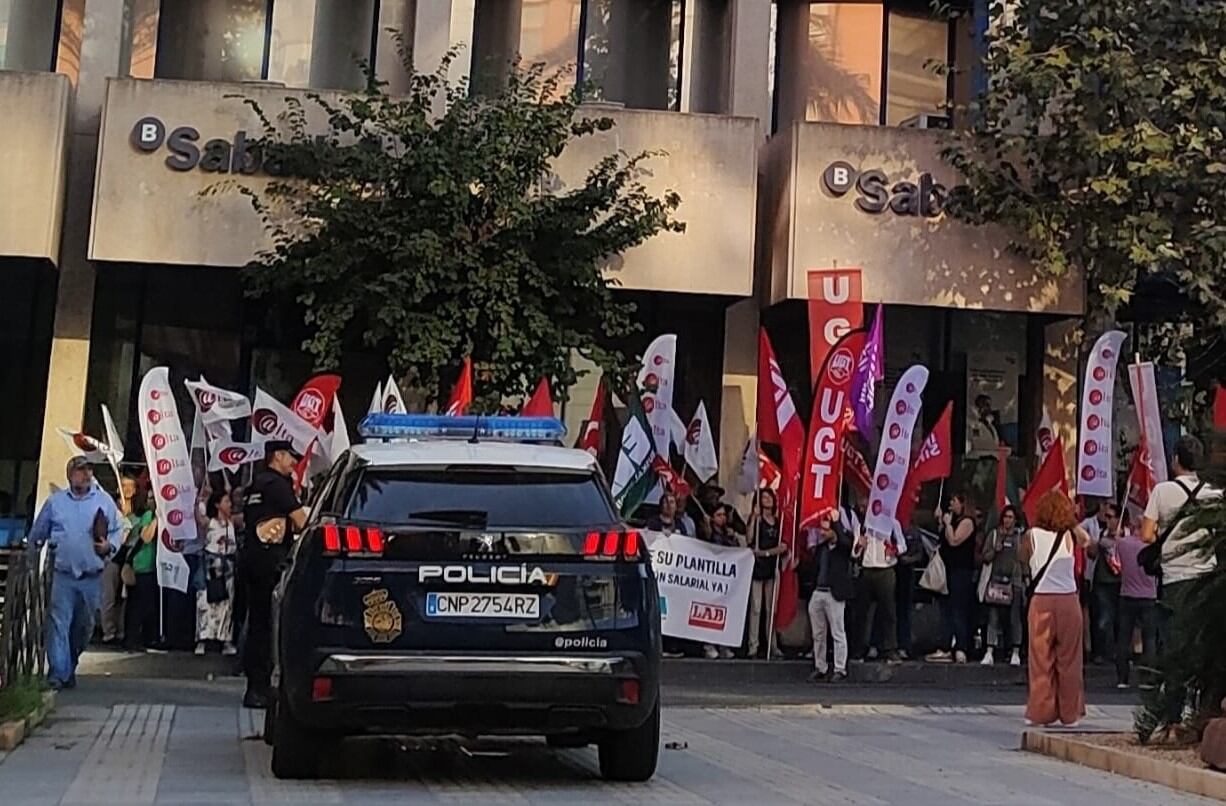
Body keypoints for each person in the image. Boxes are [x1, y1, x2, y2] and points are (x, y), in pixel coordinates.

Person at [1139, 434, 1221, 732]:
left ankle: (1172, 717)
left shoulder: (1162, 492)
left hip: (1174, 581)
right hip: (1206, 582)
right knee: (1203, 650)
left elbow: (1147, 536)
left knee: (1174, 651)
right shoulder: (1213, 493)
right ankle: (1203, 714)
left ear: (1175, 461)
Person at [28, 457, 125, 690]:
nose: (85, 474)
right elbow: (37, 534)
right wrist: (32, 561)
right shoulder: (56, 503)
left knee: (84, 628)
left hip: (91, 577)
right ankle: (58, 674)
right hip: (62, 575)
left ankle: (69, 665)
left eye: (88, 470)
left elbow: (118, 530)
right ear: (70, 474)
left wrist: (109, 547)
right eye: (81, 471)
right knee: (58, 624)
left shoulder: (103, 502)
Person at [240, 440, 308, 708]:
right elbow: (302, 522)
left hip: (252, 558)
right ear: (277, 456)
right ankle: (261, 687)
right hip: (270, 561)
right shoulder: (278, 485)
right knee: (269, 625)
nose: (293, 463)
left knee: (256, 623)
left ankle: (254, 686)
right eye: (291, 457)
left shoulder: (256, 485)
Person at [1020, 490, 1090, 727]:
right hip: (1069, 600)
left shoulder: (1031, 536)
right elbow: (1087, 541)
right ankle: (1070, 714)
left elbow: (1022, 558)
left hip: (1041, 600)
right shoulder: (1070, 536)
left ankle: (1041, 711)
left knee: (1041, 659)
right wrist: (1070, 520)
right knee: (1070, 660)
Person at [804, 510, 855, 682]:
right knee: (818, 633)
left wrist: (837, 523)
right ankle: (821, 666)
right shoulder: (821, 549)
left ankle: (840, 668)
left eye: (826, 530)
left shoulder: (842, 548)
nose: (822, 533)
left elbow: (847, 544)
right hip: (819, 591)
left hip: (834, 594)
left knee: (837, 632)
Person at [850, 506, 904, 664]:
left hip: (885, 570)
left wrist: (893, 549)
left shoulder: (892, 523)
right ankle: (859, 649)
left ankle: (889, 649)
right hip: (867, 570)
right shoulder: (863, 526)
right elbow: (854, 553)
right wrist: (859, 545)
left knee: (888, 611)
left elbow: (902, 545)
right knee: (861, 612)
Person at [927, 493, 978, 663]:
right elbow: (944, 540)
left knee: (958, 609)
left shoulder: (967, 522)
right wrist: (941, 522)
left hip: (961, 571)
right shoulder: (952, 520)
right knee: (947, 609)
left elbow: (955, 540)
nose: (951, 504)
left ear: (963, 504)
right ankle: (946, 645)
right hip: (948, 570)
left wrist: (948, 525)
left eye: (954, 501)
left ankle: (961, 647)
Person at [1114, 511, 1158, 688]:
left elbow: (1115, 561)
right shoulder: (1153, 546)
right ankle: (1148, 678)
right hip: (1149, 596)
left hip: (1127, 595)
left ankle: (1122, 678)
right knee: (1149, 639)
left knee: (1124, 637)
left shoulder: (1123, 544)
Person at [980, 505, 1025, 667]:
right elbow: (984, 557)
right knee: (993, 617)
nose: (1007, 520)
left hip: (1014, 583)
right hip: (995, 581)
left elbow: (1025, 559)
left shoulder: (1020, 537)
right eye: (1005, 517)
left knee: (1014, 618)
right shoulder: (993, 535)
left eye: (1011, 517)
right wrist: (995, 549)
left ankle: (1015, 651)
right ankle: (989, 650)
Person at [196, 491, 239, 656]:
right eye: (226, 501)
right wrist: (199, 500)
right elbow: (199, 518)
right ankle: (203, 639)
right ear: (217, 505)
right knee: (206, 605)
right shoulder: (210, 522)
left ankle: (226, 640)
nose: (229, 504)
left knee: (227, 606)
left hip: (228, 569)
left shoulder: (232, 522)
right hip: (211, 568)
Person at [699, 505, 744, 659]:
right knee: (710, 612)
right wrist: (707, 527)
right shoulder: (708, 533)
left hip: (726, 580)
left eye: (724, 515)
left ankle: (724, 644)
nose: (722, 518)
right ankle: (709, 644)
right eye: (718, 515)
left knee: (725, 612)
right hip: (711, 578)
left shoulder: (728, 534)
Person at [746, 489, 786, 659]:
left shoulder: (778, 522)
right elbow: (749, 539)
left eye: (769, 497)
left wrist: (766, 553)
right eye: (764, 497)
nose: (767, 500)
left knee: (771, 609)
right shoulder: (757, 520)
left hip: (772, 567)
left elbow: (783, 546)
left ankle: (772, 644)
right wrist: (754, 518)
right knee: (756, 608)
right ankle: (753, 646)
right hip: (757, 568)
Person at [100, 473, 138, 646]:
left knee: (125, 598)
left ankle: (121, 630)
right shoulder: (110, 510)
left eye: (130, 486)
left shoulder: (138, 512)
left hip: (129, 559)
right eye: (124, 486)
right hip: (112, 557)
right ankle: (109, 631)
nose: (127, 489)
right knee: (109, 595)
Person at [122, 490, 160, 652]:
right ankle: (132, 639)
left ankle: (145, 638)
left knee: (147, 605)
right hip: (141, 565)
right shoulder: (148, 516)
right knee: (137, 605)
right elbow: (146, 537)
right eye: (150, 498)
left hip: (152, 566)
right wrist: (156, 519)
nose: (151, 501)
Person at [1085, 502, 1122, 664]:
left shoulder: (1127, 535)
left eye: (1110, 517)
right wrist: (1093, 545)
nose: (1106, 520)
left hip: (1122, 583)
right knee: (1102, 618)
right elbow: (1092, 555)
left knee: (1119, 620)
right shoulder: (1101, 534)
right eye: (1105, 516)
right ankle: (1100, 652)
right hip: (1103, 582)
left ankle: (1117, 651)